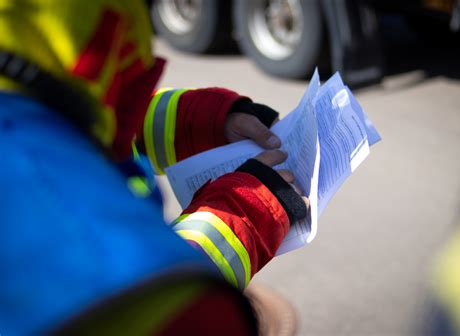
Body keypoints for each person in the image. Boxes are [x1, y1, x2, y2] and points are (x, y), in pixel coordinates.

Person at [0, 1, 308, 334]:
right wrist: (247, 213)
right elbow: (172, 300)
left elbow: (81, 126)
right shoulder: (107, 262)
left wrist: (200, 121)